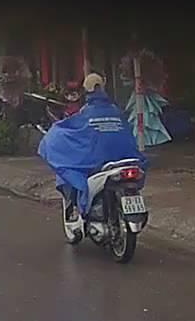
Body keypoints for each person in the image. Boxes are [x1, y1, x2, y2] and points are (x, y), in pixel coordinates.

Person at [38, 72, 146, 220]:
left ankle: (78, 210)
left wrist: (51, 136)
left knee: (68, 174)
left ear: (85, 90)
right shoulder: (116, 112)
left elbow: (69, 130)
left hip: (96, 161)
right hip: (127, 157)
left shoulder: (86, 113)